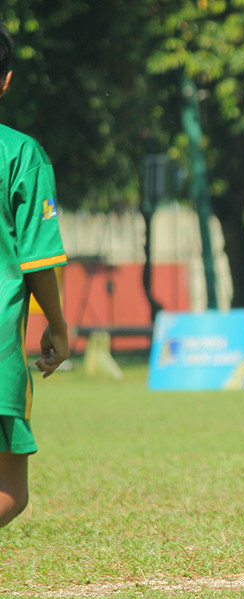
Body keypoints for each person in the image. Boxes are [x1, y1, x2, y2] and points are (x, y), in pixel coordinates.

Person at [0, 23, 70, 530]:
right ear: (5, 81)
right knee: (10, 492)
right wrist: (59, 326)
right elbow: (38, 259)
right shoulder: (20, 154)